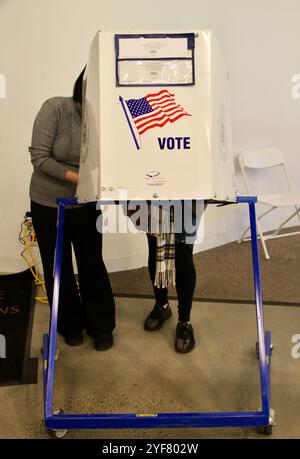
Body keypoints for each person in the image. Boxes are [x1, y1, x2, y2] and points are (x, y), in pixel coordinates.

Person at [28, 68, 115, 351]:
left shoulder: (106, 120)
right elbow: (39, 157)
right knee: (59, 266)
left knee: (92, 263)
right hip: (48, 203)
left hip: (88, 202)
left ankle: (101, 325)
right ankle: (69, 324)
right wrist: (81, 178)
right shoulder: (56, 108)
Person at [143, 201, 203, 354]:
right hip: (155, 194)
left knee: (184, 259)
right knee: (155, 252)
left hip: (189, 197)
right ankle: (162, 306)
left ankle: (184, 320)